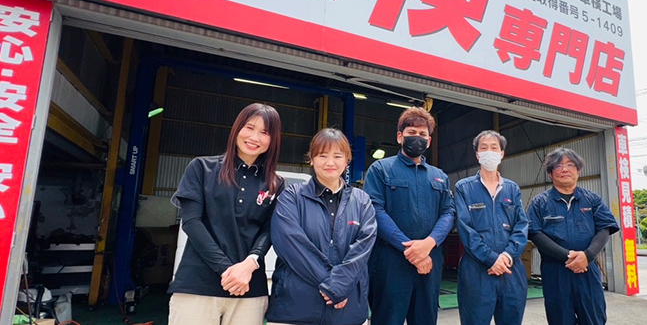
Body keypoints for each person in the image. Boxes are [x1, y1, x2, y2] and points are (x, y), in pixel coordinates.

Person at [169, 103, 283, 325]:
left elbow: (270, 230)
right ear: (237, 128)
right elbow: (192, 222)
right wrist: (228, 270)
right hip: (197, 286)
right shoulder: (202, 168)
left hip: (250, 289)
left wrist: (250, 264)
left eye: (264, 132)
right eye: (249, 127)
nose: (254, 137)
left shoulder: (276, 184)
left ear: (273, 140)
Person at [266, 128, 377, 325]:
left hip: (348, 313)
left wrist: (340, 285)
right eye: (322, 155)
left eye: (337, 156)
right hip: (296, 309)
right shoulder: (292, 196)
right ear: (311, 159)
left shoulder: (362, 201)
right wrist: (334, 287)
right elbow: (290, 243)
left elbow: (363, 248)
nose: (330, 162)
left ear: (347, 160)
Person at [363, 106, 455, 325]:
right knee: (387, 319)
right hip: (390, 263)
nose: (417, 138)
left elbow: (448, 212)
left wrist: (429, 244)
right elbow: (375, 210)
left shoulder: (440, 177)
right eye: (411, 132)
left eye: (422, 134)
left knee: (425, 319)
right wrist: (411, 249)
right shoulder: (380, 169)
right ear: (399, 136)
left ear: (429, 141)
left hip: (429, 261)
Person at [526, 148, 620, 325]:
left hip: (587, 269)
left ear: (578, 170)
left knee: (594, 318)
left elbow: (605, 228)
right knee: (560, 319)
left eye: (570, 165)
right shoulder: (540, 202)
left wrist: (587, 256)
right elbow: (534, 233)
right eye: (558, 166)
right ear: (550, 173)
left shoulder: (592, 199)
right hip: (555, 271)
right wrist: (568, 256)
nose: (564, 169)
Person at [455, 130, 529, 325]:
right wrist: (491, 258)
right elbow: (465, 228)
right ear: (477, 154)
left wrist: (507, 255)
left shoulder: (512, 189)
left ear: (502, 153)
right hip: (477, 270)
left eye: (494, 148)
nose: (489, 152)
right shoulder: (464, 188)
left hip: (510, 269)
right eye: (484, 148)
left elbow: (521, 226)